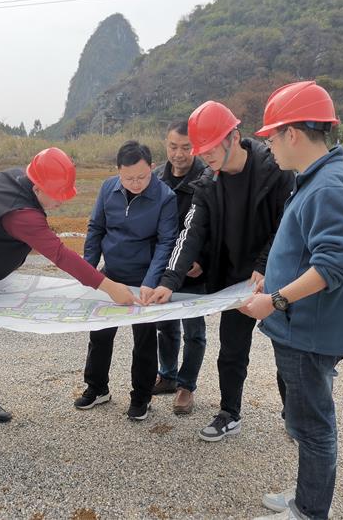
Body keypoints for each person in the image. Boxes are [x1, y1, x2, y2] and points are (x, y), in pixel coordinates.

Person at [0, 147, 140, 423]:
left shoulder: (15, 178)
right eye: (57, 196)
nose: (60, 203)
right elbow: (61, 255)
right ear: (37, 187)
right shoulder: (21, 214)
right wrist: (110, 287)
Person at [241, 81, 343, 520]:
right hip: (297, 327)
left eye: (271, 137)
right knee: (302, 420)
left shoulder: (330, 186)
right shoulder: (315, 179)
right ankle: (304, 495)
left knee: (313, 428)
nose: (269, 146)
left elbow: (336, 264)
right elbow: (307, 253)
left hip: (308, 333)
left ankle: (309, 511)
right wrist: (272, 281)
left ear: (292, 134)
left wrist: (275, 299)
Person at [146, 101, 294, 440]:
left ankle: (294, 415)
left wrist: (265, 264)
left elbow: (288, 222)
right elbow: (191, 232)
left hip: (276, 275)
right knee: (231, 350)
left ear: (234, 137)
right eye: (202, 149)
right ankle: (229, 413)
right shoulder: (208, 182)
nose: (205, 155)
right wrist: (170, 280)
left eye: (211, 147)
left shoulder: (274, 170)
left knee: (285, 348)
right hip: (235, 281)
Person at [75, 140, 178, 421]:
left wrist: (151, 280)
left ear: (152, 168)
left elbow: (166, 242)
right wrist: (88, 270)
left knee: (144, 340)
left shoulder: (165, 197)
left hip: (144, 278)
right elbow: (96, 228)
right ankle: (97, 387)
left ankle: (142, 397)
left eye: (141, 177)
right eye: (128, 178)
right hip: (111, 274)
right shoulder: (108, 188)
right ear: (118, 171)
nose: (135, 183)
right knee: (100, 333)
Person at [150, 121, 208, 415]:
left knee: (194, 331)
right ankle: (168, 374)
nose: (179, 154)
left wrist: (203, 260)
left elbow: (214, 224)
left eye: (186, 147)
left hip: (194, 269)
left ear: (195, 147)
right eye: (173, 146)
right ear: (166, 144)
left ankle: (186, 386)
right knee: (165, 326)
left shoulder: (207, 177)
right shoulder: (156, 178)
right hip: (164, 266)